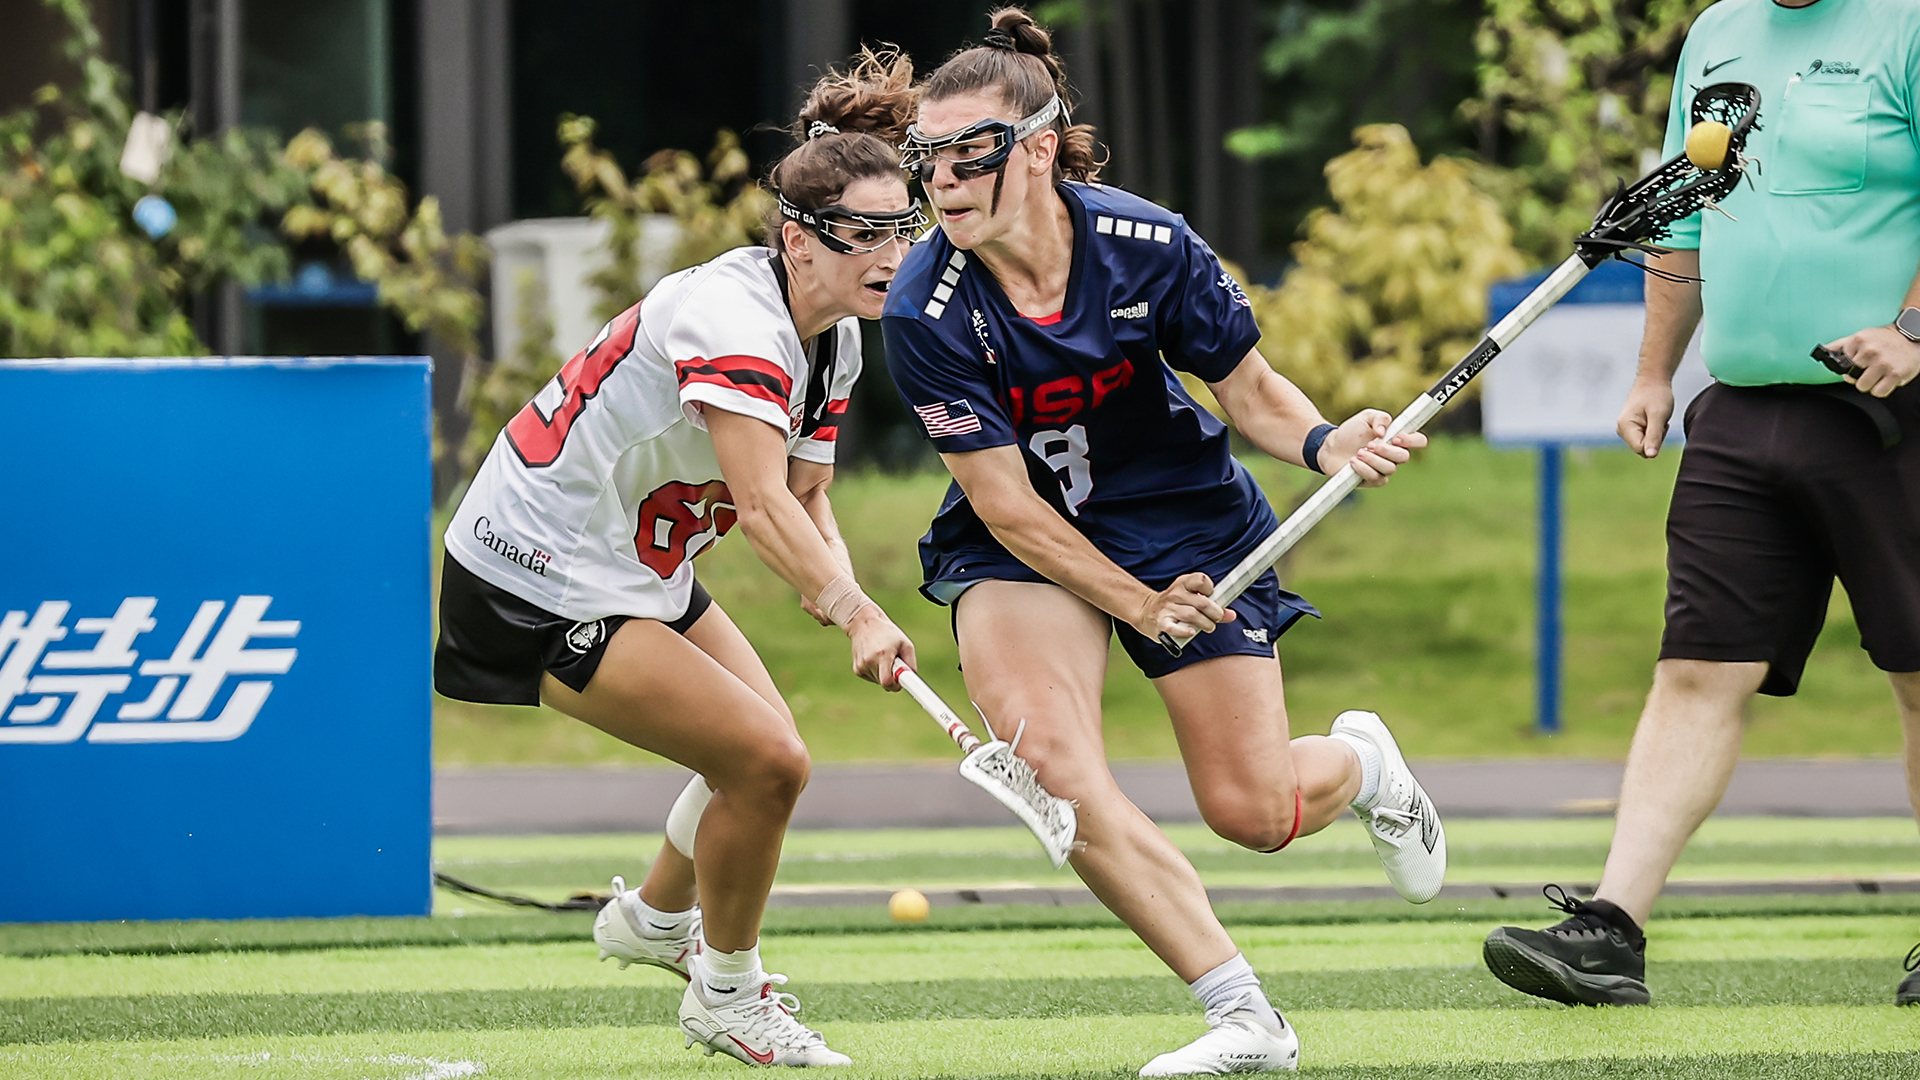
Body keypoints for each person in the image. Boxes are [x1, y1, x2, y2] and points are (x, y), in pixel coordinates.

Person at [881, 9, 1446, 1074]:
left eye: (971, 153)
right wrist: (1138, 606)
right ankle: (1245, 1018)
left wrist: (1325, 441)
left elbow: (1250, 391)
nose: (943, 181)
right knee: (1049, 768)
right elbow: (1008, 509)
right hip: (1028, 540)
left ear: (1038, 150)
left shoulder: (1150, 246)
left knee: (1255, 812)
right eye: (929, 158)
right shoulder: (926, 308)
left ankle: (1367, 767)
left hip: (1185, 519)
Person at [434, 49, 925, 1066]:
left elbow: (805, 498)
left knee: (765, 755)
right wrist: (854, 611)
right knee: (766, 761)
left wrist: (844, 595)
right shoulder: (734, 315)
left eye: (902, 228)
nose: (892, 253)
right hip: (537, 571)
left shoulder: (835, 335)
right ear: (798, 238)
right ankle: (726, 996)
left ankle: (658, 920)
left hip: (632, 565)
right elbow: (760, 504)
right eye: (865, 233)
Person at [1482, 0, 1920, 1009]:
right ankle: (1611, 931)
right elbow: (1685, 212)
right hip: (1741, 414)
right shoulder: (1718, 32)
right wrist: (1653, 375)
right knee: (1695, 669)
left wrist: (1912, 330)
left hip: (1896, 413)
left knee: (1918, 677)